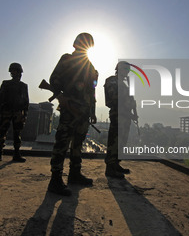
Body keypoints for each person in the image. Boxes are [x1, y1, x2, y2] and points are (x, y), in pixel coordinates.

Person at [47, 32, 98, 196]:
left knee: (78, 144)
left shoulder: (89, 65)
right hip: (70, 109)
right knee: (62, 142)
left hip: (83, 111)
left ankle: (75, 174)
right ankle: (55, 179)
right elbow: (53, 79)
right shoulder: (67, 59)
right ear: (76, 44)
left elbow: (92, 91)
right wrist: (61, 97)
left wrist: (92, 111)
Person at [104, 61, 138, 178]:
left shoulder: (124, 84)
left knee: (122, 141)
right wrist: (129, 102)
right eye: (125, 69)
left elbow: (128, 100)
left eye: (128, 70)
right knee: (115, 141)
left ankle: (116, 164)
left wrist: (132, 110)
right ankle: (110, 167)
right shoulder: (112, 81)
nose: (127, 72)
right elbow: (114, 98)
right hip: (118, 114)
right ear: (119, 69)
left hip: (125, 116)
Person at [0, 63, 29, 163]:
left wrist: (24, 114)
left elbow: (26, 101)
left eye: (15, 71)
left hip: (18, 112)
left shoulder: (23, 86)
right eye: (13, 71)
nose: (14, 73)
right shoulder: (6, 84)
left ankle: (16, 154)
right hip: (6, 111)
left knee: (17, 134)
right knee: (2, 133)